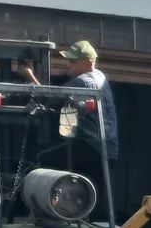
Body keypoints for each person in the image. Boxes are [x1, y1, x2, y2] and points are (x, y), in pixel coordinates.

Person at [20, 39, 119, 169]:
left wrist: (29, 75)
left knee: (39, 154)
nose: (68, 64)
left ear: (88, 63)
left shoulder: (83, 81)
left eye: (73, 61)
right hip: (108, 149)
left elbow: (47, 98)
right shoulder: (100, 76)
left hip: (91, 146)